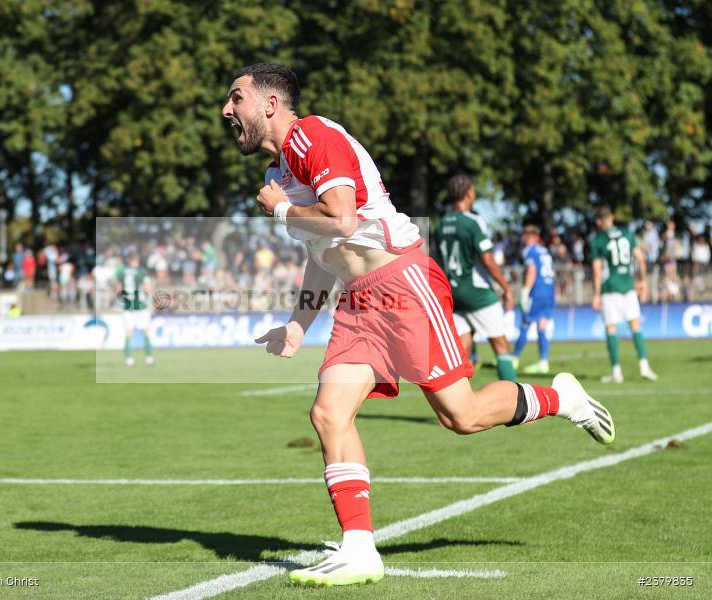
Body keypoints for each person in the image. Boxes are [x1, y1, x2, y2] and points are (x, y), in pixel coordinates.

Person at [222, 62, 615, 588]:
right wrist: (298, 325)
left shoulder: (312, 135)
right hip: (359, 303)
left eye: (236, 97)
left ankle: (562, 399)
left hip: (404, 284)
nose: (227, 109)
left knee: (463, 415)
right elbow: (326, 253)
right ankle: (359, 549)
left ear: (270, 104)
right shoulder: (279, 176)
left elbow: (341, 218)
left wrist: (281, 215)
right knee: (328, 412)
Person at [434, 176, 517, 382]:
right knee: (501, 346)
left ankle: (456, 408)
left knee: (462, 350)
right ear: (470, 192)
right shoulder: (473, 221)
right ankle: (516, 406)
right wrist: (506, 287)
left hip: (453, 293)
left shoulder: (441, 224)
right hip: (477, 292)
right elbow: (488, 259)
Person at [590, 206, 656, 383]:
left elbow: (597, 271)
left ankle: (616, 372)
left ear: (598, 222)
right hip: (628, 286)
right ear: (611, 217)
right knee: (635, 325)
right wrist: (642, 281)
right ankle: (644, 366)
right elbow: (640, 258)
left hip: (610, 288)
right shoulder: (627, 232)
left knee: (611, 328)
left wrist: (596, 294)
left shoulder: (598, 240)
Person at [512, 225, 555, 373]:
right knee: (542, 325)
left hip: (536, 292)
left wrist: (525, 291)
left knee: (525, 324)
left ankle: (514, 359)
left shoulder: (529, 251)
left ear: (528, 236)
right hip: (549, 292)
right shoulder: (545, 251)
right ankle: (543, 362)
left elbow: (532, 270)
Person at [116, 253, 154, 366]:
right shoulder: (142, 271)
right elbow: (148, 287)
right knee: (145, 331)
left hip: (127, 305)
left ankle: (129, 359)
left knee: (128, 332)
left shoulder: (122, 271)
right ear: (137, 259)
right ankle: (149, 358)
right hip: (140, 305)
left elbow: (118, 287)